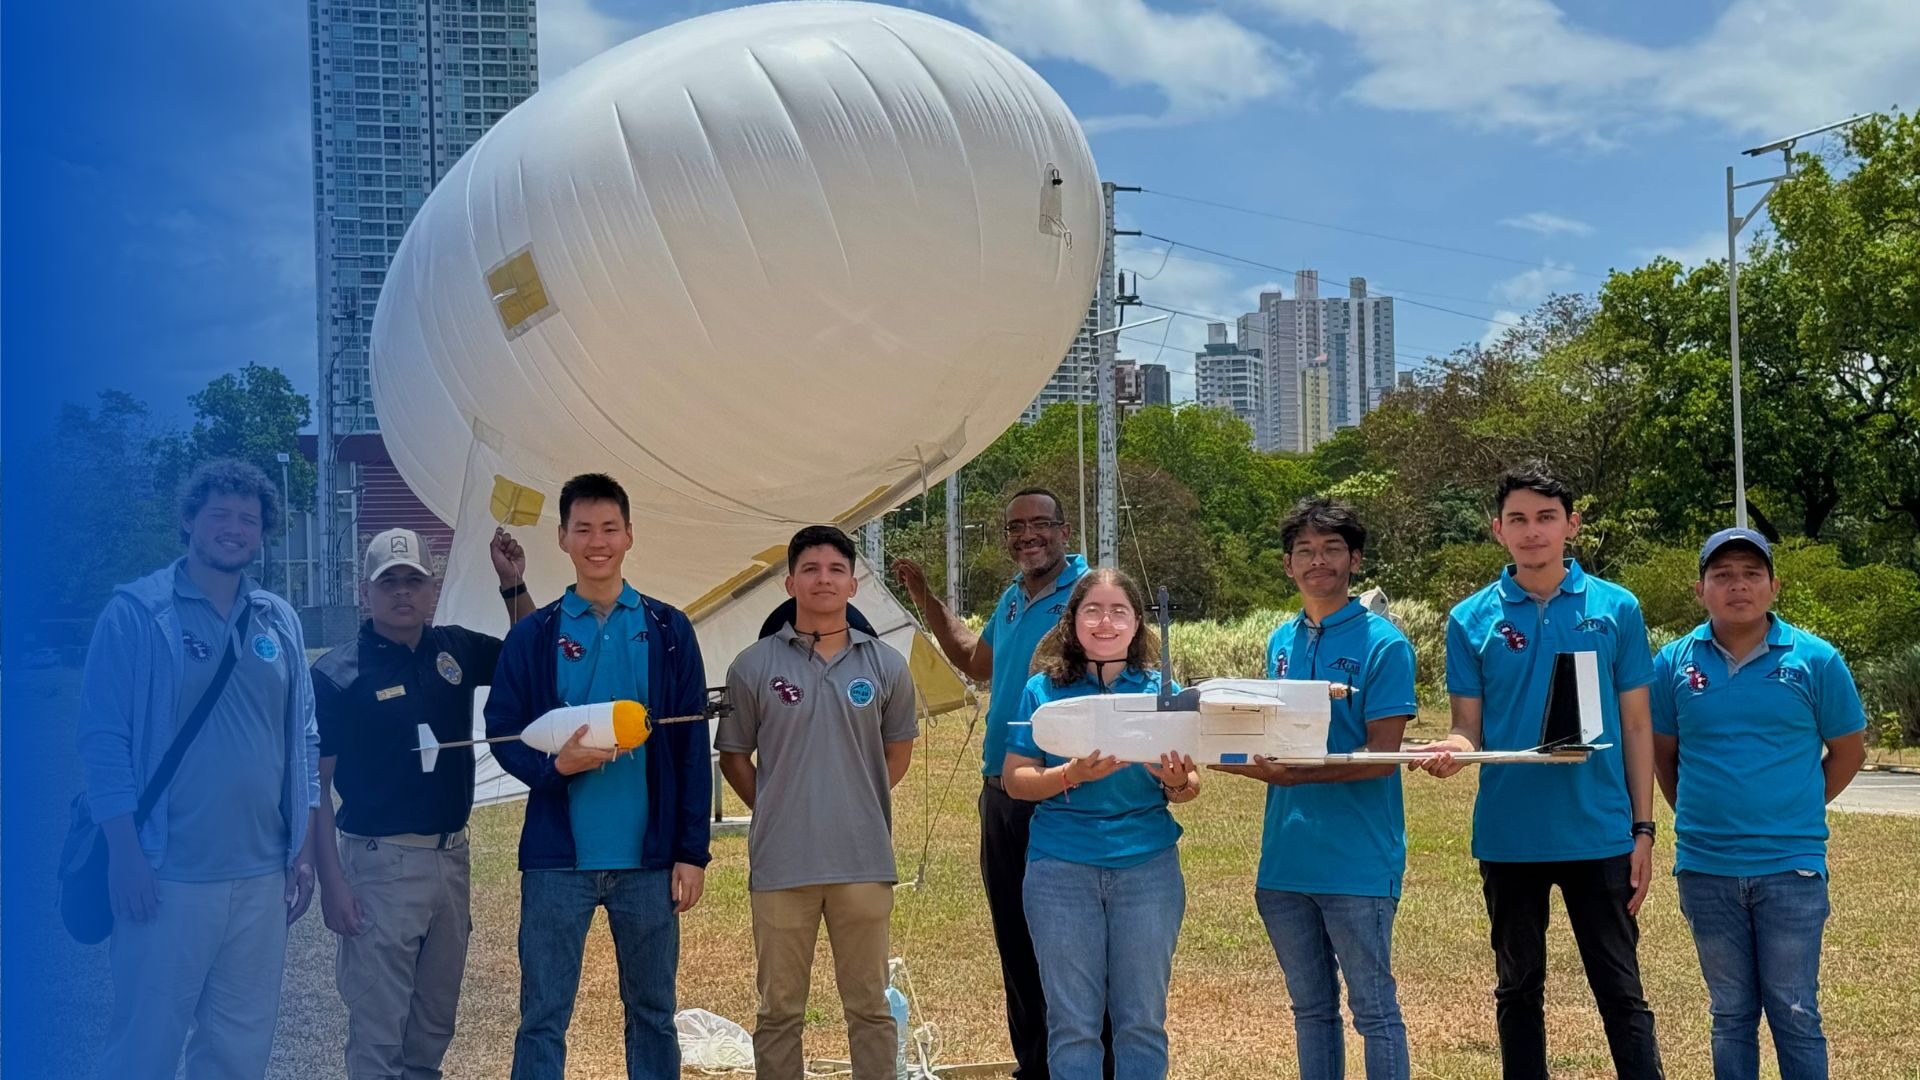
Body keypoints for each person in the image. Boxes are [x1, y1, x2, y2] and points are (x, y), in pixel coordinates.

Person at [1412, 462, 1664, 1079]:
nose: (1533, 532)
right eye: (1518, 520)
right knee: (1518, 989)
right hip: (1510, 835)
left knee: (1621, 993)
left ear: (1570, 525)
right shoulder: (1469, 619)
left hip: (1600, 832)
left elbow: (1636, 725)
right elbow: (1466, 726)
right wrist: (1451, 752)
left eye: (1546, 518)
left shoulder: (1616, 608)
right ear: (1498, 530)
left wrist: (1643, 830)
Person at [76, 458, 320, 1080]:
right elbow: (103, 742)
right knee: (144, 1049)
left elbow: (304, 741)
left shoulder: (279, 621)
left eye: (249, 518)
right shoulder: (135, 613)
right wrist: (125, 853)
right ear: (188, 520)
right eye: (220, 515)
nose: (234, 528)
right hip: (166, 875)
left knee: (238, 1053)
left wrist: (303, 849)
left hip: (262, 876)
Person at [484, 472, 712, 1080]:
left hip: (650, 860)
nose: (597, 541)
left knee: (653, 1013)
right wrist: (553, 767)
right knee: (542, 1016)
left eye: (609, 528)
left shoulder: (667, 629)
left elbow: (692, 744)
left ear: (630, 535)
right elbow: (504, 728)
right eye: (582, 528)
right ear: (562, 538)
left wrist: (692, 851)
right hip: (558, 864)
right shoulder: (536, 633)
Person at [310, 525, 538, 1079]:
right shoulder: (338, 673)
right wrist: (332, 883)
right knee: (378, 1031)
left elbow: (529, 658)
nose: (403, 592)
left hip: (450, 860)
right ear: (366, 591)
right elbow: (314, 787)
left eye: (415, 579)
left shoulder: (454, 648)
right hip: (380, 861)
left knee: (434, 1026)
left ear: (433, 586)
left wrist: (513, 585)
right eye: (389, 582)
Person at [893, 487, 1098, 1079]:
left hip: (1060, 785)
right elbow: (976, 662)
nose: (1027, 535)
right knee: (1015, 935)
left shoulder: (1088, 595)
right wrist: (925, 599)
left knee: (1071, 941)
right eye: (1015, 527)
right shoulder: (1014, 597)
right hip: (1001, 790)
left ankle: (1086, 1064)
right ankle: (1034, 1064)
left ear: (1064, 531)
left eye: (1040, 524)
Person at [1650, 528, 1867, 1080]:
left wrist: (1795, 808)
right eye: (1722, 575)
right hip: (1706, 867)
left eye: (1751, 574)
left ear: (1774, 585)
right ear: (1700, 589)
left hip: (1791, 868)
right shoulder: (1673, 664)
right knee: (1729, 1014)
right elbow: (1664, 755)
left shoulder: (1816, 661)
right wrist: (1702, 817)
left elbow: (1848, 751)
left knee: (1795, 1012)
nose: (1737, 586)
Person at [1211, 497, 1414, 1080]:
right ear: (1287, 564)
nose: (1317, 561)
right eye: (1305, 551)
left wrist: (1297, 772)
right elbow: (1263, 743)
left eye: (1330, 549)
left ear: (1355, 559)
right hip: (1285, 863)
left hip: (1358, 861)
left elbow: (1383, 758)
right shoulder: (1280, 642)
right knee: (1310, 1011)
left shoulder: (1384, 644)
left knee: (1373, 1010)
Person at [717, 525, 919, 1079]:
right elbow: (735, 757)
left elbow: (895, 755)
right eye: (810, 569)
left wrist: (853, 797)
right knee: (779, 1012)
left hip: (863, 862)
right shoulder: (753, 666)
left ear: (853, 584)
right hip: (783, 866)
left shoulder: (885, 666)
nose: (823, 579)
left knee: (871, 1009)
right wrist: (781, 805)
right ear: (790, 583)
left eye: (835, 570)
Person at [1002, 567, 1198, 1080]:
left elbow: (1189, 785)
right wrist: (1071, 773)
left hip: (1147, 869)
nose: (1105, 622)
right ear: (1073, 621)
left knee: (1142, 1022)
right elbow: (1017, 779)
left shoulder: (1163, 691)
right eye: (1092, 610)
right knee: (1072, 1024)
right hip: (1060, 871)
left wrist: (1175, 780)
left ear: (1137, 624)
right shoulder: (1041, 691)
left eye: (1118, 611)